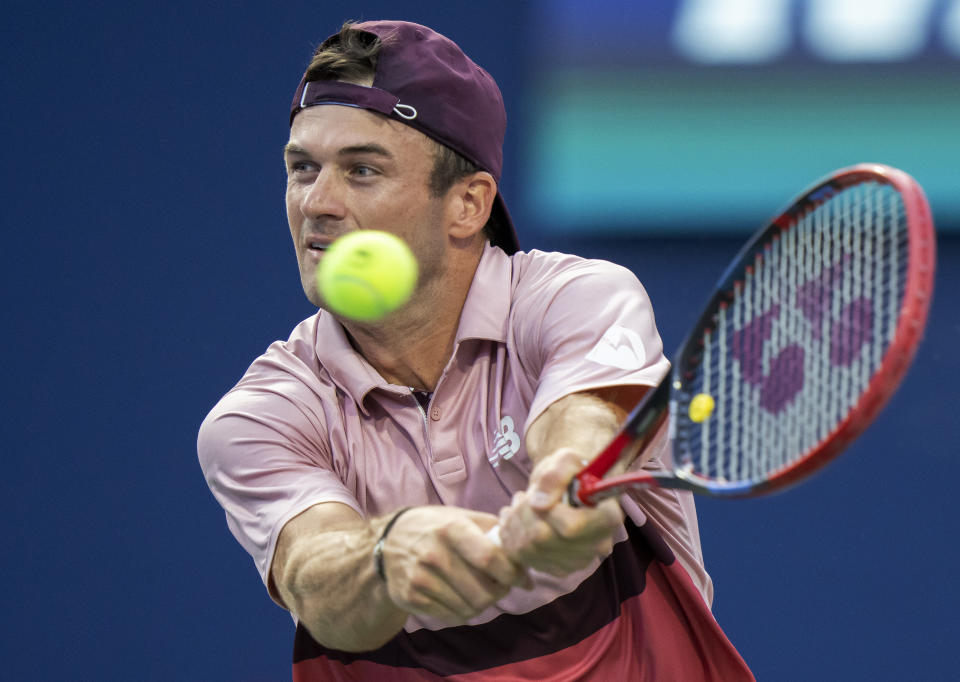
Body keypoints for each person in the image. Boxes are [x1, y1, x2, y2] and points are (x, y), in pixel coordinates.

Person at [198, 19, 754, 681]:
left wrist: (566, 487)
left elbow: (581, 425)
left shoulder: (576, 298)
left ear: (467, 204)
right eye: (303, 169)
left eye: (362, 170)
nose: (317, 203)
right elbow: (315, 577)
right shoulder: (263, 414)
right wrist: (385, 558)